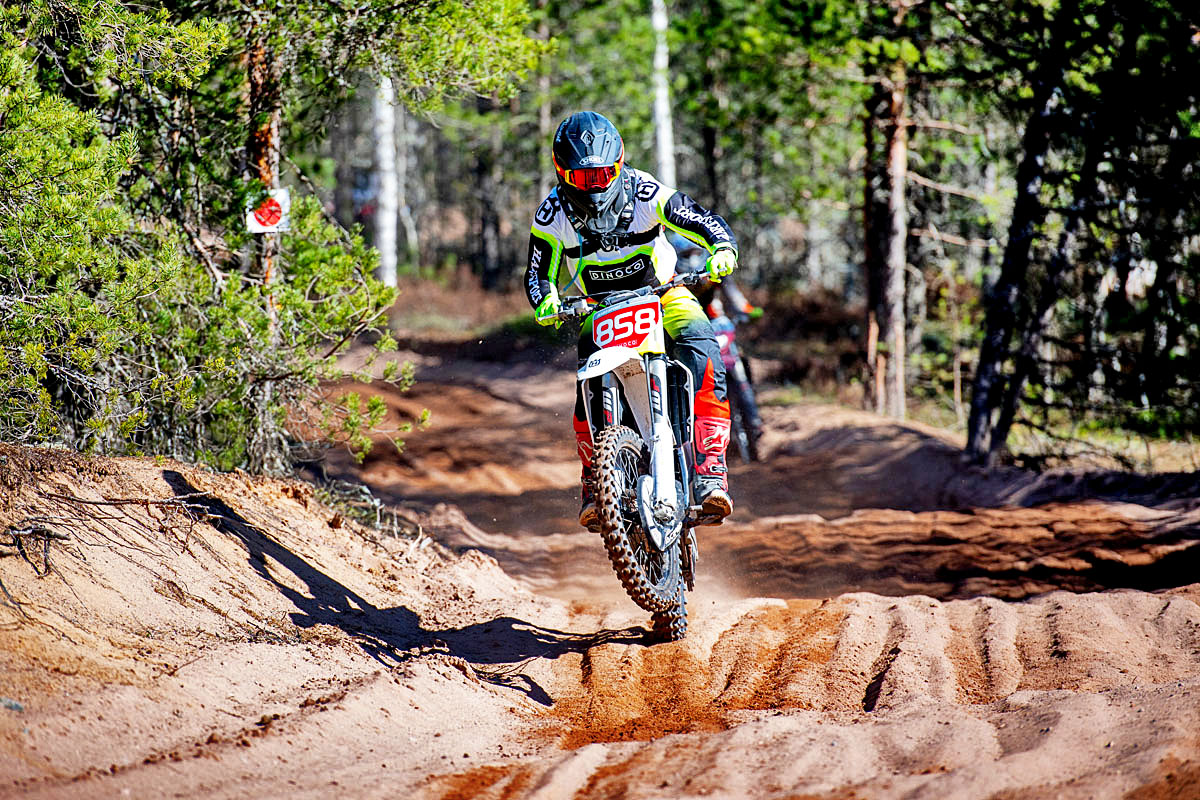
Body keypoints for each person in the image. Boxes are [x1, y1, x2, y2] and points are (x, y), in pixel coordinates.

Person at [523, 110, 739, 530]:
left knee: (702, 345)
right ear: (562, 172)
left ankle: (710, 466)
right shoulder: (552, 216)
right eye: (584, 177)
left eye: (603, 174)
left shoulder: (645, 192)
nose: (595, 185)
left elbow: (702, 219)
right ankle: (595, 481)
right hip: (598, 307)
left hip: (664, 294)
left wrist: (722, 249)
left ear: (619, 164)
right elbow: (537, 273)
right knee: (586, 389)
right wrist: (545, 301)